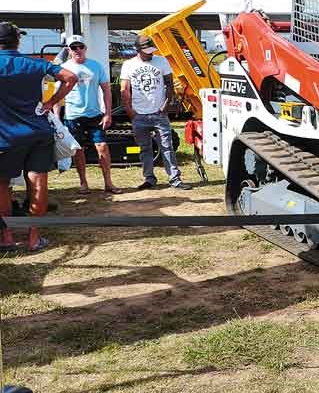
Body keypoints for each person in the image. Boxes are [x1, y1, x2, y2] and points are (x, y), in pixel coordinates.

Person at [0, 22, 77, 252]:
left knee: (2, 184)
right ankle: (34, 237)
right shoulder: (35, 63)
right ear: (18, 40)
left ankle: (7, 236)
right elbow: (70, 77)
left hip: (6, 136)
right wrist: (51, 102)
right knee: (38, 181)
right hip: (38, 133)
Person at [120, 34, 192, 190]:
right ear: (137, 49)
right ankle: (149, 178)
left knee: (167, 146)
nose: (150, 53)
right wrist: (130, 111)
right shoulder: (128, 65)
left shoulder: (161, 61)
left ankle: (175, 179)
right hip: (139, 114)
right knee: (145, 148)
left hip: (159, 113)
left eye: (152, 50)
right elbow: (124, 89)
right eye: (147, 51)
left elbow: (169, 85)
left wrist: (165, 105)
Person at [59, 34, 119, 194]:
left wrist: (108, 114)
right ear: (69, 50)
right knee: (78, 150)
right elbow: (58, 94)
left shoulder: (96, 66)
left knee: (102, 147)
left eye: (80, 46)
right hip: (73, 116)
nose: (78, 50)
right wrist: (57, 118)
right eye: (74, 47)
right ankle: (83, 183)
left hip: (94, 114)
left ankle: (108, 183)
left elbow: (106, 90)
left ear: (85, 48)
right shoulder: (64, 67)